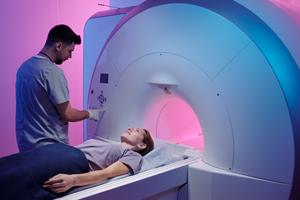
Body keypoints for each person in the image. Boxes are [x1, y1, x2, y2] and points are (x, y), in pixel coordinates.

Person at [0, 128, 154, 200]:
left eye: (136, 131)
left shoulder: (134, 156)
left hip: (73, 160)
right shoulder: (108, 143)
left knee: (17, 175)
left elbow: (108, 173)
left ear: (142, 145)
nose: (130, 128)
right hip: (60, 151)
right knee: (11, 164)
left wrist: (73, 180)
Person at [15, 24, 102, 152]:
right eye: (70, 51)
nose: (70, 56)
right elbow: (68, 114)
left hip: (27, 146)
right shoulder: (52, 72)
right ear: (59, 46)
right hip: (50, 148)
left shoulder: (24, 68)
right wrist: (91, 113)